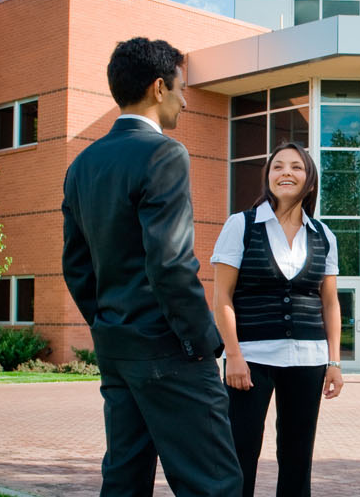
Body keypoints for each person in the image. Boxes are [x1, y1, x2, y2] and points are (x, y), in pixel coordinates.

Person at [62, 37, 241, 496]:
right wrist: (203, 340)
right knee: (214, 483)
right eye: (181, 88)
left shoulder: (82, 165)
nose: (185, 100)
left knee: (124, 480)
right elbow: (171, 262)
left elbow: (76, 267)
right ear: (159, 87)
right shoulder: (164, 154)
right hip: (170, 349)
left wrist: (109, 324)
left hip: (117, 348)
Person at [210, 141, 345, 497]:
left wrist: (334, 361)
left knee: (298, 455)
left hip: (309, 358)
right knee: (240, 452)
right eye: (278, 167)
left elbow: (329, 303)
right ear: (268, 177)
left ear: (310, 181)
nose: (286, 172)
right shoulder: (241, 225)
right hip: (251, 359)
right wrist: (234, 355)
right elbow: (221, 295)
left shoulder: (324, 235)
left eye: (296, 167)